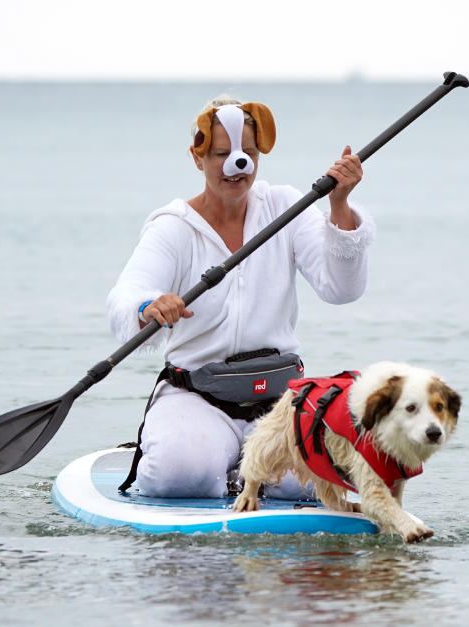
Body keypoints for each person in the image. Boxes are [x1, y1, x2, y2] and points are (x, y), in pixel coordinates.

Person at [105, 96, 374, 498]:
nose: (237, 165)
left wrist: (339, 206)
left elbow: (342, 290)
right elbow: (126, 295)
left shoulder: (285, 206)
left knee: (316, 485)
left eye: (248, 152)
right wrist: (148, 306)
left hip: (279, 399)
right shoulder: (173, 227)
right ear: (197, 158)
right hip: (197, 396)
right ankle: (204, 458)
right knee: (180, 476)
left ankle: (239, 471)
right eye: (221, 154)